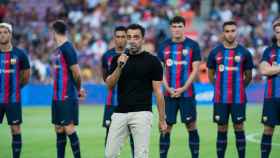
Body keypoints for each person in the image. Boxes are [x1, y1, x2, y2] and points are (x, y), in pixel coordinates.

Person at [105, 23, 167, 158]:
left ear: (143, 39)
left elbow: (158, 92)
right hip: (120, 112)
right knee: (110, 154)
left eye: (136, 37)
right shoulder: (117, 59)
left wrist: (162, 119)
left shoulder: (153, 61)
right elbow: (109, 85)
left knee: (141, 155)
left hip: (142, 113)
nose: (132, 40)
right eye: (129, 37)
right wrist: (119, 67)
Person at [207, 21, 254, 158]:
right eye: (227, 31)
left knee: (239, 127)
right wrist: (219, 87)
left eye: (232, 30)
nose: (230, 33)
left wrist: (239, 87)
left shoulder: (244, 52)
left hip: (238, 98)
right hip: (220, 98)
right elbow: (210, 74)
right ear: (223, 33)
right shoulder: (215, 52)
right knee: (221, 128)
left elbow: (249, 76)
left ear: (236, 32)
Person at [157, 16, 201, 158]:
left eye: (179, 26)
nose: (176, 29)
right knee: (166, 127)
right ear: (171, 28)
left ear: (184, 27)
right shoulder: (163, 46)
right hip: (168, 95)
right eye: (174, 26)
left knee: (191, 126)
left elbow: (195, 70)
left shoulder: (193, 46)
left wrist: (182, 88)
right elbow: (159, 70)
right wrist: (168, 88)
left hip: (187, 94)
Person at [50, 20, 85, 158]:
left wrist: (79, 88)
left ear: (54, 32)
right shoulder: (58, 49)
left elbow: (76, 72)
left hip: (66, 95)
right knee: (58, 128)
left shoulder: (68, 48)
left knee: (69, 128)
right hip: (57, 96)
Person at [101, 26, 134, 157]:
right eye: (118, 37)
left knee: (134, 134)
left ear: (127, 38)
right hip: (111, 103)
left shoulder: (133, 55)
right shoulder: (107, 56)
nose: (120, 39)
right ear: (114, 38)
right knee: (109, 135)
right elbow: (105, 77)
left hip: (130, 102)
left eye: (123, 37)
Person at [0, 22, 30, 158]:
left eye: (5, 32)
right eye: (0, 33)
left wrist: (15, 88)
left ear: (10, 34)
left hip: (13, 99)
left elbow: (26, 76)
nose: (2, 35)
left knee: (15, 129)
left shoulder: (20, 54)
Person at [259, 19, 280, 158]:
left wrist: (274, 68)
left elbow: (269, 69)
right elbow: (264, 71)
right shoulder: (269, 50)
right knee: (268, 130)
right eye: (278, 32)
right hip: (271, 97)